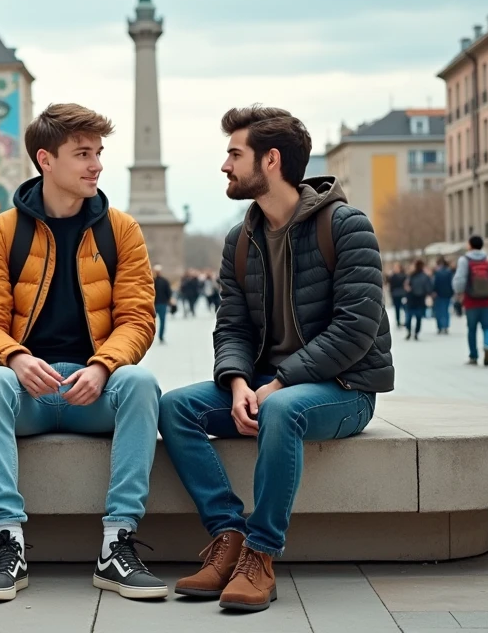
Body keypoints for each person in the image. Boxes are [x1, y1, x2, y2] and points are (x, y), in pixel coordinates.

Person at [159, 105, 393, 614]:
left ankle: (261, 555)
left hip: (344, 389)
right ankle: (228, 537)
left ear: (270, 161)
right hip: (269, 384)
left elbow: (355, 329)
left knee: (284, 411)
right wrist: (239, 381)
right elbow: (233, 325)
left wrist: (280, 382)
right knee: (175, 407)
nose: (224, 165)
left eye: (234, 154)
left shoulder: (347, 226)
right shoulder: (240, 239)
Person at [0, 103, 164, 602]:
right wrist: (13, 357)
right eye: (82, 153)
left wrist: (103, 366)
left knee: (140, 383)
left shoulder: (122, 231)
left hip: (93, 392)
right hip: (27, 391)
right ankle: (7, 543)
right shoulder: (3, 232)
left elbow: (138, 320)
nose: (96, 164)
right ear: (45, 160)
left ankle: (116, 545)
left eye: (98, 152)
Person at [453, 235, 488, 366]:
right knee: (487, 325)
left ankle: (473, 356)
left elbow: (460, 279)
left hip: (471, 300)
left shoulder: (465, 260)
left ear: (470, 245)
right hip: (487, 299)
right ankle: (487, 344)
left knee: (471, 328)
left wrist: (459, 291)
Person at [404, 259, 433, 340]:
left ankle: (409, 331)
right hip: (420, 299)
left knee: (409, 316)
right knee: (418, 317)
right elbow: (429, 288)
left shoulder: (411, 275)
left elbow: (407, 286)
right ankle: (416, 332)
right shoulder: (425, 276)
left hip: (411, 298)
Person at [432, 257, 455, 335]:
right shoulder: (449, 272)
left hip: (438, 294)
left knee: (439, 311)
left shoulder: (437, 273)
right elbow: (452, 283)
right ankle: (446, 326)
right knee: (446, 310)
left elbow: (434, 283)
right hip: (447, 294)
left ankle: (440, 326)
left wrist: (433, 291)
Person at [153, 266, 173, 342]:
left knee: (159, 321)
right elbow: (169, 292)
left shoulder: (153, 281)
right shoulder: (163, 281)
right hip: (160, 303)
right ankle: (160, 336)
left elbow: (168, 292)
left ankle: (158, 336)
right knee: (161, 321)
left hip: (157, 303)